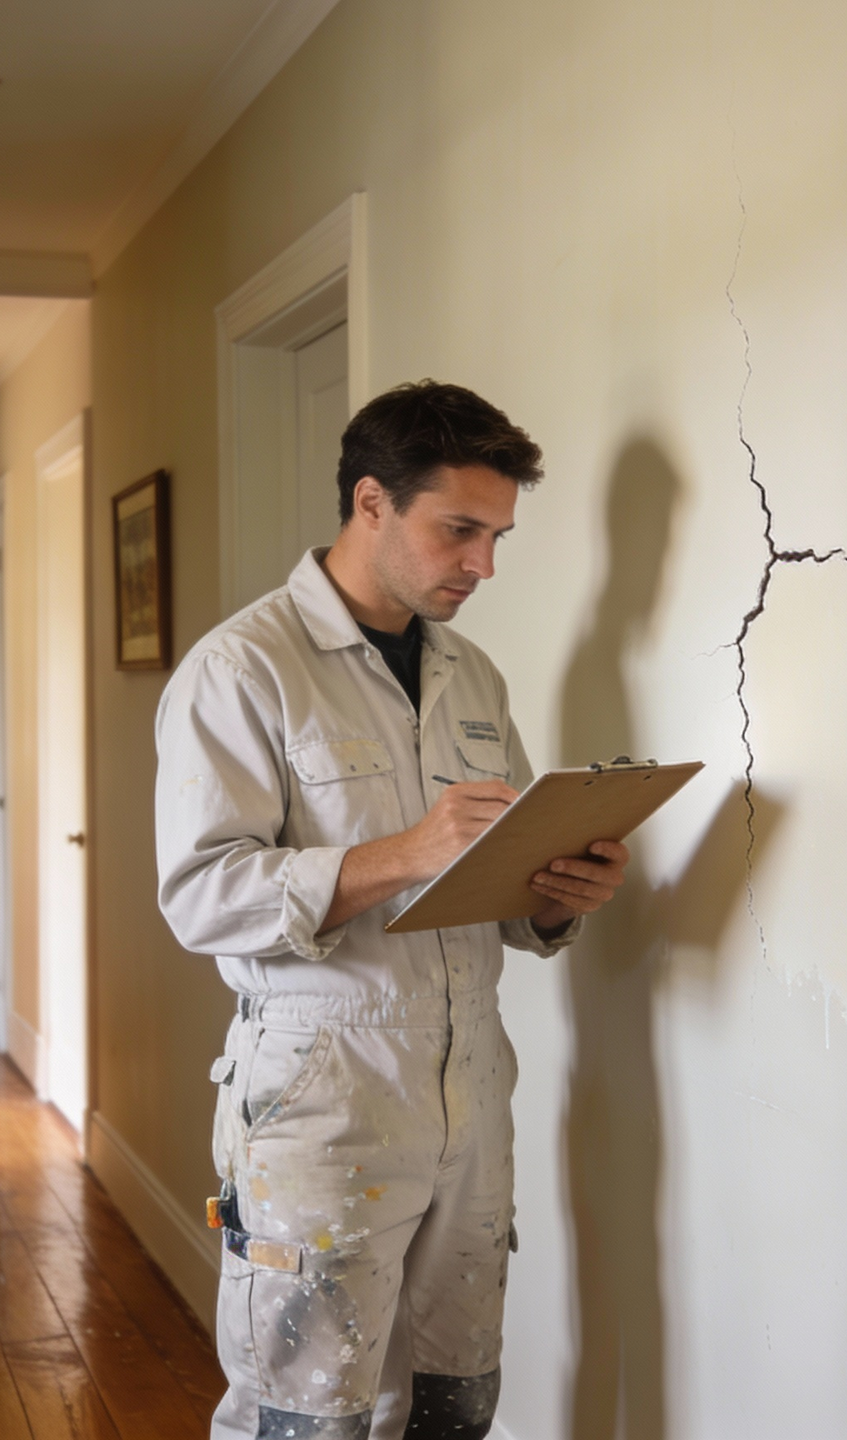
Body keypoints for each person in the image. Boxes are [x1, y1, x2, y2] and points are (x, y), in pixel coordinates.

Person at [156, 381, 631, 1439]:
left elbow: (490, 887)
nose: (484, 565)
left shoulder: (474, 677)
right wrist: (402, 853)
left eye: (499, 535)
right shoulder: (242, 671)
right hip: (322, 1100)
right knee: (307, 1415)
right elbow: (198, 897)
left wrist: (556, 901)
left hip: (472, 1094)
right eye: (460, 530)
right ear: (371, 502)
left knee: (457, 1401)